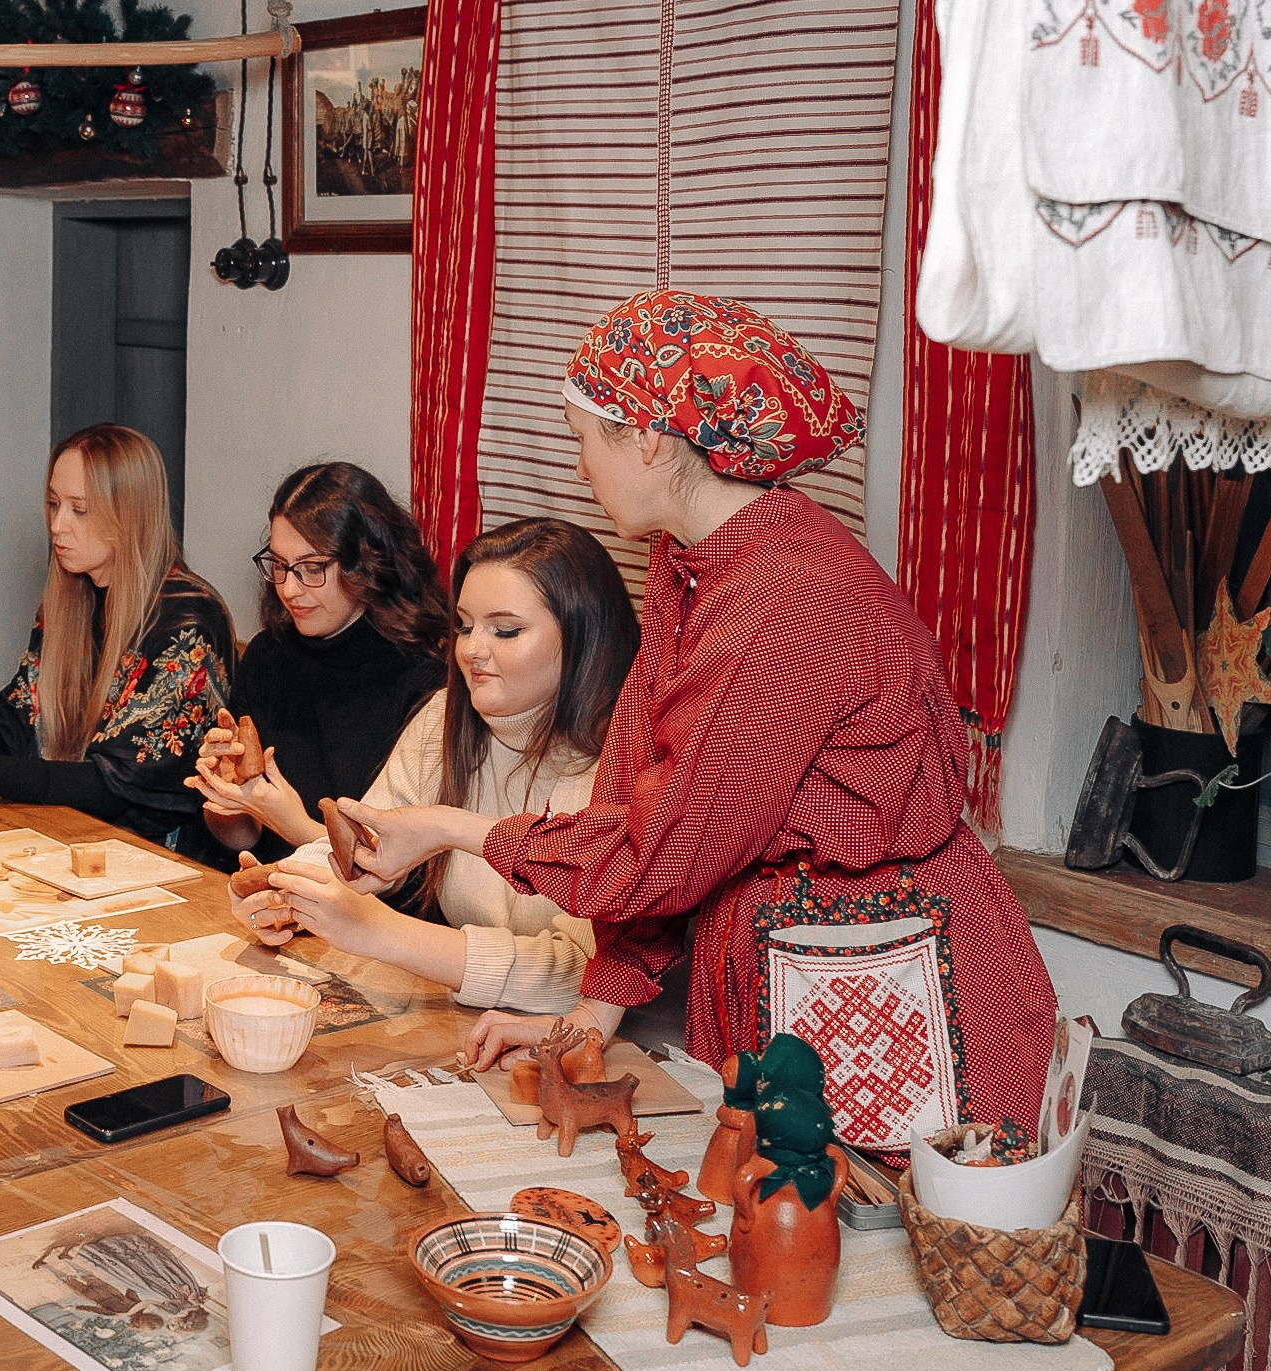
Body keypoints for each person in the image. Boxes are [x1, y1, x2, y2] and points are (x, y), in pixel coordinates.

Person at [340, 291, 1058, 1142]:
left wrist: (446, 828)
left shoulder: (783, 602)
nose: (579, 469)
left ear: (646, 435)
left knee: (860, 1247)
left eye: (582, 441)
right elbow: (644, 809)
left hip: (883, 989)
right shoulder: (691, 571)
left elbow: (658, 856)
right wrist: (588, 1023)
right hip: (807, 984)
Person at [229, 519, 636, 1016]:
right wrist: (286, 890)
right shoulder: (444, 719)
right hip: (476, 1027)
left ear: (584, 637)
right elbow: (366, 845)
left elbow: (591, 980)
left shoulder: (627, 760)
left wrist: (383, 932)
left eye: (505, 630)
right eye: (464, 625)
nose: (472, 650)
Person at [0, 423, 234, 851]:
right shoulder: (68, 602)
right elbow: (13, 734)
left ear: (130, 513)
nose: (57, 525)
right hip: (68, 838)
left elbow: (114, 785)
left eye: (79, 509)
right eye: (53, 504)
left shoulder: (186, 618)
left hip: (159, 861)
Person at [189, 462, 449, 865]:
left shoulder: (424, 680)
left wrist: (292, 822)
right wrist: (230, 800)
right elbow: (241, 844)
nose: (289, 589)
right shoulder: (267, 657)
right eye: (279, 566)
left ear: (367, 564)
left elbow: (399, 881)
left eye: (312, 568)